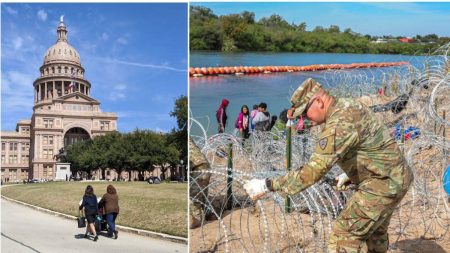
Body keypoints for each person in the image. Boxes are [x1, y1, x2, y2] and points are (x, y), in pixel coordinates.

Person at [244, 78, 413, 253]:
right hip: (397, 176)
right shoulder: (349, 105)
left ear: (319, 101)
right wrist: (351, 173)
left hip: (382, 184)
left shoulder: (337, 124)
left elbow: (312, 172)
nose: (304, 119)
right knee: (375, 233)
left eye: (305, 113)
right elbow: (373, 143)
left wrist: (268, 185)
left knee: (342, 236)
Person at [189, 137, 212, 229]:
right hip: (205, 166)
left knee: (194, 198)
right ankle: (209, 214)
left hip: (198, 169)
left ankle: (195, 220)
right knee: (203, 194)